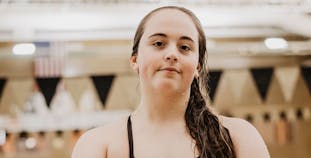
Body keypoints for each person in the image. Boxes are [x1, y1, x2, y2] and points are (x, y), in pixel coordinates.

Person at [71, 6, 270, 158]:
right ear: (134, 60)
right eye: (159, 43)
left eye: (184, 47)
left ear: (198, 66)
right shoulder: (99, 145)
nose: (172, 54)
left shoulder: (237, 138)